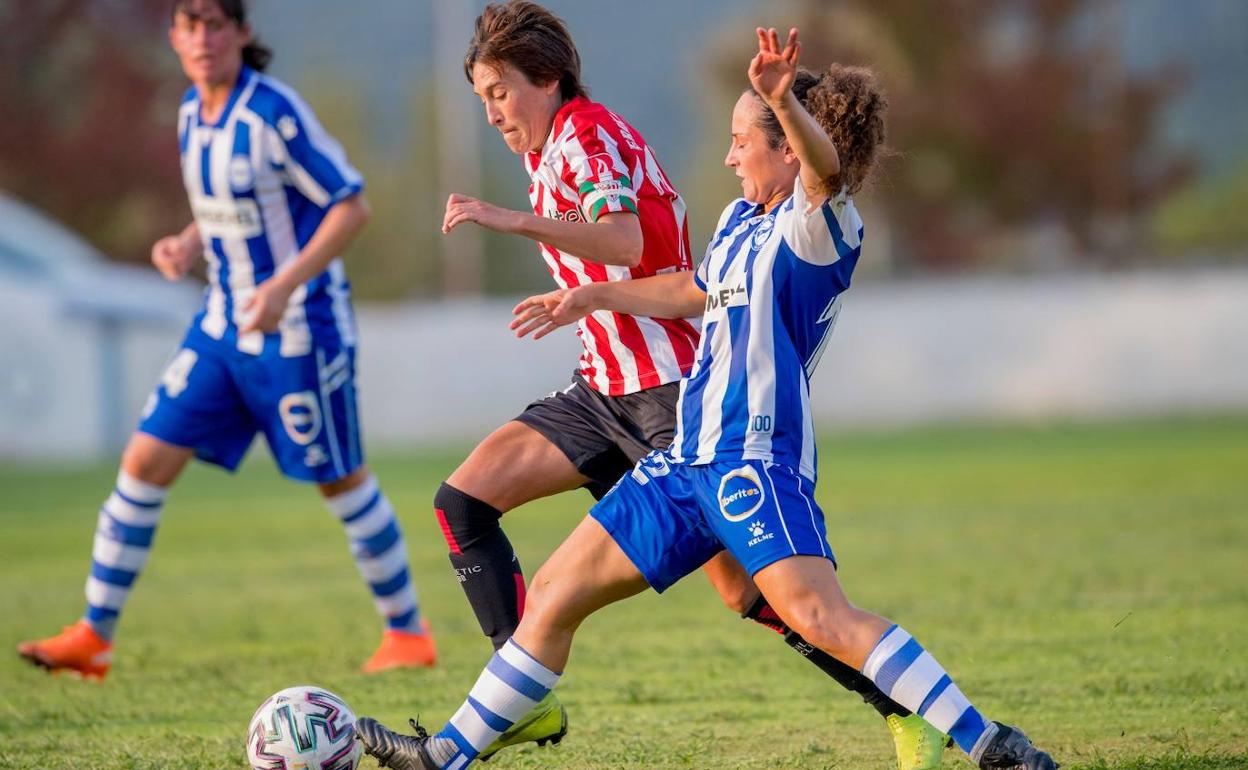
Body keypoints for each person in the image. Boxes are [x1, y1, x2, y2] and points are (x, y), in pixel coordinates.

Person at [353, 27, 1059, 770]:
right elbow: (689, 288)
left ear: (785, 148)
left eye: (739, 141)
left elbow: (824, 169)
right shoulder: (739, 222)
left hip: (752, 462)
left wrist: (784, 101)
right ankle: (440, 758)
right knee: (556, 592)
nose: (727, 156)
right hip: (684, 459)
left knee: (816, 613)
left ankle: (990, 745)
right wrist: (592, 295)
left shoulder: (819, 228)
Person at [16, 0, 435, 679]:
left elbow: (350, 204)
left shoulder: (273, 114)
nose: (203, 38)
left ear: (242, 32)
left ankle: (409, 633)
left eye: (215, 23)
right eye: (189, 25)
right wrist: (186, 243)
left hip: (300, 331)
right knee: (144, 461)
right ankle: (93, 635)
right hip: (220, 328)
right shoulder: (189, 113)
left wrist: (282, 287)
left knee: (340, 479)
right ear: (174, 37)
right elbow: (226, 208)